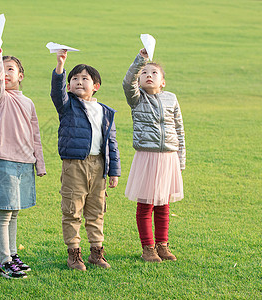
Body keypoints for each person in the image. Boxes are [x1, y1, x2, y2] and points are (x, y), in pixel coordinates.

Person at [50, 49, 121, 271]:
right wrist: (60, 67)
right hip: (74, 165)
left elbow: (112, 143)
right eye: (74, 79)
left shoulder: (105, 112)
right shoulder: (68, 105)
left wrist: (114, 171)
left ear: (96, 86)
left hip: (99, 165)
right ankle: (74, 253)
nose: (79, 82)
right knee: (72, 209)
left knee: (97, 209)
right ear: (69, 86)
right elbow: (56, 92)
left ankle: (96, 252)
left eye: (85, 79)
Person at [0, 49, 46, 279]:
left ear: (21, 75)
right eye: (2, 69)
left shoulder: (28, 102)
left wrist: (39, 164)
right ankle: (4, 262)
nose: (5, 73)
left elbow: (36, 135)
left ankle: (12, 254)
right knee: (4, 214)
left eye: (10, 69)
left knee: (15, 213)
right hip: (5, 162)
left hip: (25, 164)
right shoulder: (0, 97)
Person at [122, 48, 185, 263]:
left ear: (163, 81)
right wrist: (141, 59)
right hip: (147, 157)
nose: (149, 75)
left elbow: (179, 129)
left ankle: (162, 245)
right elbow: (127, 82)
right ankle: (147, 247)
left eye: (154, 73)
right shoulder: (137, 99)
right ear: (139, 80)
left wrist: (180, 160)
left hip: (168, 158)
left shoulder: (171, 99)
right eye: (144, 73)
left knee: (163, 205)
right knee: (145, 205)